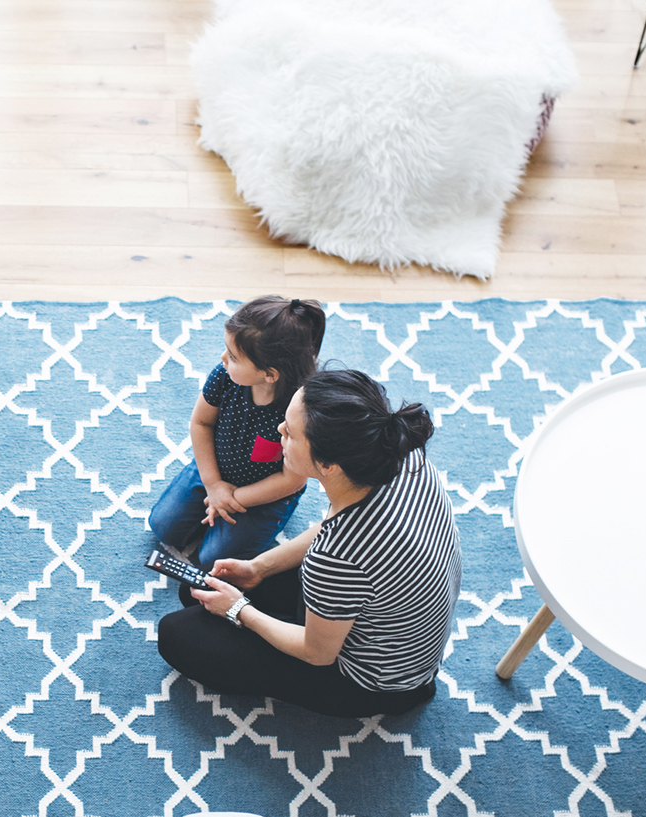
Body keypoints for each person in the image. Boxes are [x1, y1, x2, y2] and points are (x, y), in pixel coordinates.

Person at [156, 368, 461, 718]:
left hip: (372, 681)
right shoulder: (402, 456)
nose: (278, 431)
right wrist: (258, 568)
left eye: (290, 432)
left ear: (328, 464)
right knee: (199, 588)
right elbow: (336, 527)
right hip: (391, 621)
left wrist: (239, 609)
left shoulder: (336, 556)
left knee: (176, 634)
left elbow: (317, 654)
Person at [148, 296, 327, 568]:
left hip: (266, 495)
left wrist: (231, 498)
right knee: (163, 527)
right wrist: (213, 484)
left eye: (232, 357)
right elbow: (201, 423)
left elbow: (292, 480)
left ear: (269, 374)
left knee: (212, 559)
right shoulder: (225, 375)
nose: (223, 358)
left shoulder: (299, 410)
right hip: (215, 470)